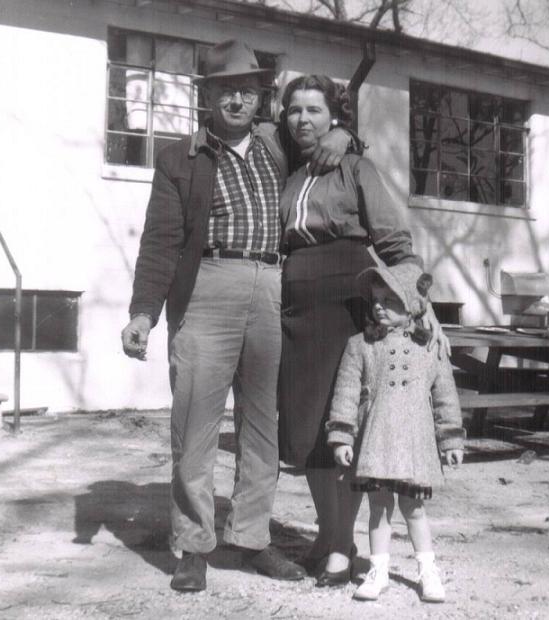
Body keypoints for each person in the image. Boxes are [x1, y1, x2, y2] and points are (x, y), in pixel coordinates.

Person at [120, 41, 352, 592]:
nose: (237, 100)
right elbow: (160, 242)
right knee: (195, 425)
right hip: (207, 286)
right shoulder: (180, 159)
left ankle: (251, 539)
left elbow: (326, 133)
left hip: (271, 286)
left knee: (262, 424)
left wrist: (343, 133)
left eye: (246, 91)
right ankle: (193, 545)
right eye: (226, 90)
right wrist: (143, 313)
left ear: (259, 98)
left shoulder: (278, 145)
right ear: (208, 96)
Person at [276, 74, 448, 587]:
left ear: (335, 116)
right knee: (306, 428)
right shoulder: (289, 172)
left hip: (344, 302)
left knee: (341, 420)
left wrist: (421, 304)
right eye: (294, 110)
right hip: (295, 306)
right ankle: (329, 535)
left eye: (314, 110)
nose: (303, 119)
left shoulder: (356, 168)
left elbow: (395, 243)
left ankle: (339, 545)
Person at [327, 263, 465, 603]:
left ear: (412, 305)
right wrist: (342, 436)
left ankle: (427, 570)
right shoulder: (360, 345)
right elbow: (345, 393)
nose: (378, 306)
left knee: (414, 508)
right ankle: (379, 571)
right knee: (378, 507)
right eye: (375, 299)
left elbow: (445, 396)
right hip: (376, 442)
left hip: (415, 443)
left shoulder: (430, 348)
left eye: (389, 300)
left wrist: (451, 440)